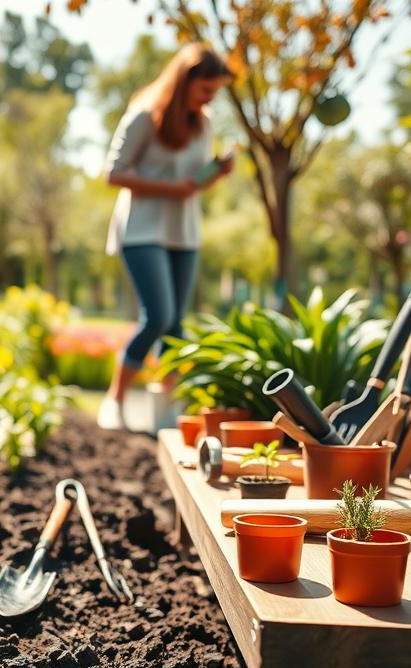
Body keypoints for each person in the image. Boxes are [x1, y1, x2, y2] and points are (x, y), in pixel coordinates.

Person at [98, 43, 235, 431]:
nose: (210, 99)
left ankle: (164, 410)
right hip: (142, 229)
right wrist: (172, 188)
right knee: (157, 317)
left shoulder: (203, 123)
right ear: (184, 80)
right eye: (205, 90)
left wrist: (214, 174)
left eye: (215, 92)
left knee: (176, 325)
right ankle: (116, 398)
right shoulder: (144, 115)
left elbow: (190, 184)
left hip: (184, 231)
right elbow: (114, 174)